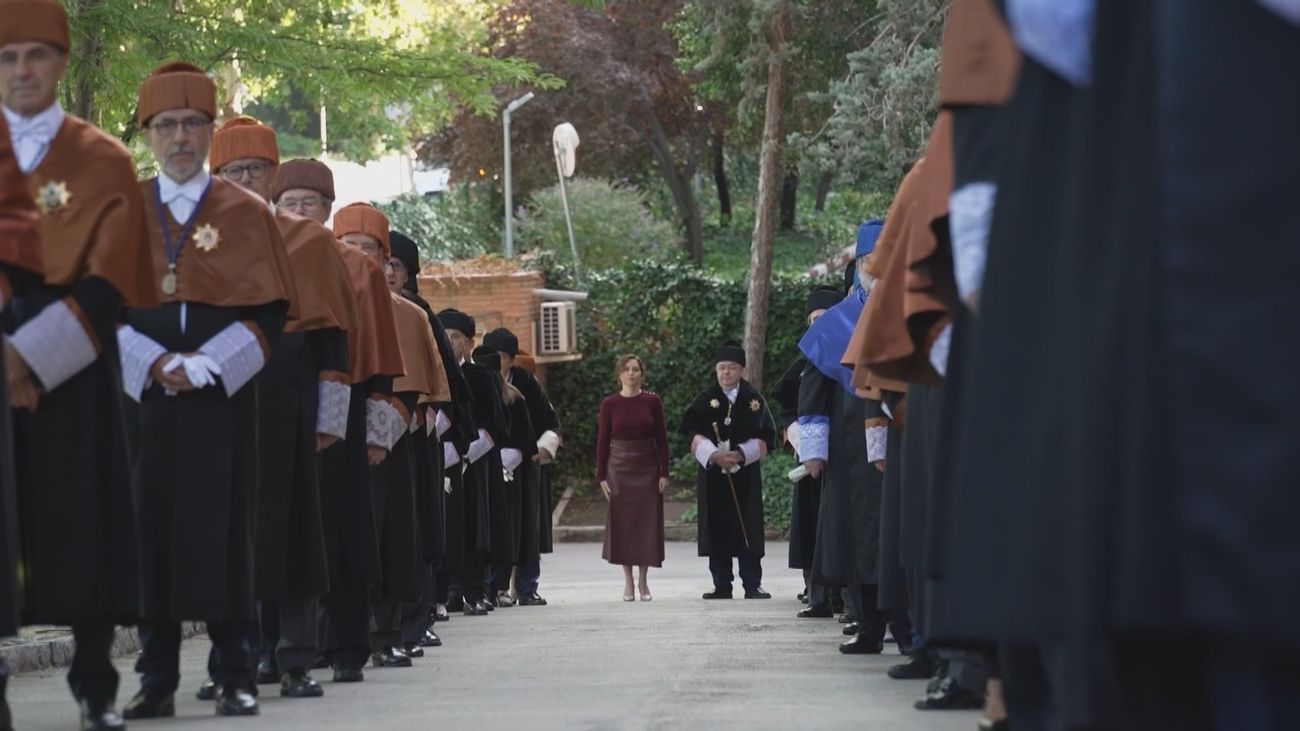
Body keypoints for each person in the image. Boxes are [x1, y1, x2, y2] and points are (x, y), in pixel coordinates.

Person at [118, 61, 298, 719]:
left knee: (228, 535)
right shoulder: (125, 208)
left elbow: (271, 310)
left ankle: (235, 672)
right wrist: (153, 361)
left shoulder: (245, 212)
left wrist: (210, 364)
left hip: (223, 400)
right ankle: (156, 676)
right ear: (148, 134)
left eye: (193, 123)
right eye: (166, 125)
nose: (180, 137)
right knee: (149, 535)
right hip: (147, 402)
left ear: (210, 129)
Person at [0, 5, 157, 725]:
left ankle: (95, 684)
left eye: (36, 55)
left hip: (75, 365)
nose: (22, 70)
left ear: (61, 63)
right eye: (8, 57)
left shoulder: (101, 159)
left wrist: (27, 357)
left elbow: (113, 277)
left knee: (81, 524)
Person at [206, 117, 359, 701]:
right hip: (214, 400)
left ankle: (295, 657)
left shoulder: (308, 240)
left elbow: (332, 339)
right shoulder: (197, 236)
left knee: (294, 530)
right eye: (233, 170)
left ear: (272, 175)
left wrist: (330, 415)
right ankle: (238, 660)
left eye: (256, 169)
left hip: (286, 399)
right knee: (225, 536)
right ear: (215, 175)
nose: (245, 179)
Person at [269, 159, 404, 684]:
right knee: (283, 530)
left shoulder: (357, 267)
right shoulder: (257, 254)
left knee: (344, 528)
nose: (301, 212)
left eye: (311, 203)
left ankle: (349, 644)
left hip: (341, 406)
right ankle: (280, 646)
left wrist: (376, 431)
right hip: (279, 409)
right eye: (291, 203)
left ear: (328, 210)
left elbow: (377, 352)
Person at [334, 203, 447, 669]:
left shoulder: (410, 314)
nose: (359, 257)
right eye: (348, 247)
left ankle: (384, 633)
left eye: (368, 249)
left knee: (384, 539)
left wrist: (383, 428)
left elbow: (425, 386)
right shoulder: (313, 301)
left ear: (385, 260)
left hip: (388, 443)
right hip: (326, 439)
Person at [678, 343, 776, 601]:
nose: (726, 373)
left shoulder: (754, 400)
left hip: (745, 474)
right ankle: (722, 584)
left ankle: (752, 583)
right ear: (715, 370)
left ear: (741, 369)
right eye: (722, 368)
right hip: (713, 475)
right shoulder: (704, 399)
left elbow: (767, 436)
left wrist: (742, 455)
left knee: (748, 525)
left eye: (732, 368)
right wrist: (714, 455)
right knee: (717, 525)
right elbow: (691, 432)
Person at [773, 286, 841, 618]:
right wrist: (794, 431)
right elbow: (787, 403)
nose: (819, 325)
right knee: (810, 526)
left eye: (825, 319)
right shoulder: (803, 359)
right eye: (814, 319)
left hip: (840, 454)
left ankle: (841, 596)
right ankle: (815, 593)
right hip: (807, 453)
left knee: (837, 525)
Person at [437, 308, 509, 616]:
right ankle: (445, 592)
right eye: (445, 337)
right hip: (440, 461)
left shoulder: (482, 376)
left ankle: (474, 591)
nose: (450, 343)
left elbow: (495, 425)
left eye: (455, 338)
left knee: (474, 526)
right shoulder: (436, 373)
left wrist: (465, 453)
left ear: (469, 343)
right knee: (444, 526)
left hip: (475, 463)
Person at [483, 327, 561, 607]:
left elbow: (550, 423)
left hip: (525, 465)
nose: (497, 362)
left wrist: (540, 448)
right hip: (488, 465)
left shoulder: (526, 384)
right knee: (491, 526)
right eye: (491, 356)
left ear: (512, 359)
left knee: (528, 525)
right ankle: (489, 588)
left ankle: (527, 587)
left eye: (502, 356)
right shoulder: (479, 380)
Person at [596, 354, 669, 601]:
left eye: (636, 369)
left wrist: (664, 472)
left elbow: (662, 438)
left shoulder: (652, 401)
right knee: (623, 526)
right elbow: (602, 440)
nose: (631, 373)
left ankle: (644, 581)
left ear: (642, 373)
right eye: (626, 369)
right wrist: (601, 476)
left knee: (646, 525)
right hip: (618, 468)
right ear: (619, 374)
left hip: (647, 467)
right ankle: (628, 581)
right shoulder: (609, 404)